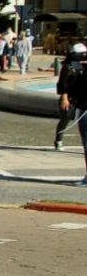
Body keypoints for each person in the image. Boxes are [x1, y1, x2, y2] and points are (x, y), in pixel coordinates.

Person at [54, 43, 87, 179]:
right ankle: (59, 139)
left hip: (82, 105)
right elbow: (63, 84)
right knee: (65, 119)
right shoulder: (69, 67)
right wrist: (64, 97)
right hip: (76, 101)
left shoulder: (81, 68)